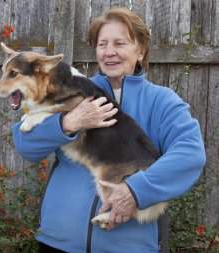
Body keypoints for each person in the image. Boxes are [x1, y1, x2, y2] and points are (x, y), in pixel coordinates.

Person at [12, 7, 206, 253]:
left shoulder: (162, 102)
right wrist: (68, 123)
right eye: (102, 44)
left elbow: (190, 156)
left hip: (129, 246)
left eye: (119, 43)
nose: (109, 52)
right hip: (59, 241)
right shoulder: (71, 89)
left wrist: (135, 191)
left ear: (141, 51)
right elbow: (25, 145)